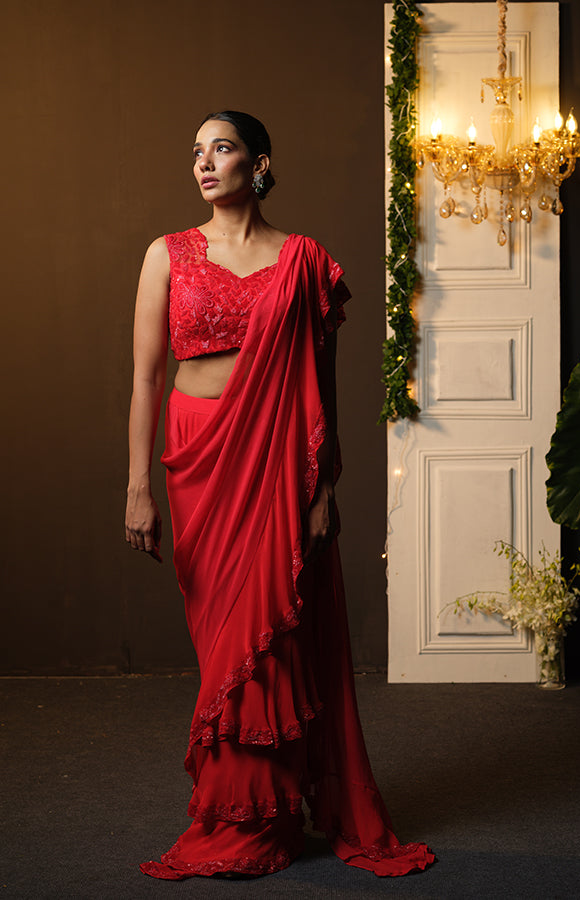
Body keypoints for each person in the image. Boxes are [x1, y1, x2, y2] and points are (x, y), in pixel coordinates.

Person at [125, 110, 434, 879]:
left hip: (276, 464)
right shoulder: (165, 255)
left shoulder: (304, 260)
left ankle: (262, 820)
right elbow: (145, 379)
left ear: (257, 163)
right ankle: (238, 811)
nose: (203, 162)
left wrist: (325, 484)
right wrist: (138, 485)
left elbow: (319, 387)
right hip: (199, 461)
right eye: (195, 150)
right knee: (225, 642)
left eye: (221, 148)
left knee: (276, 636)